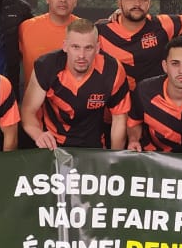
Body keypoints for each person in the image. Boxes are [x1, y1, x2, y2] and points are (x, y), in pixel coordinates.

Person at [21, 18, 130, 150]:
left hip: (93, 145)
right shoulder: (46, 66)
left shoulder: (112, 70)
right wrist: (38, 135)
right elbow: (28, 110)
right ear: (65, 46)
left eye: (88, 48)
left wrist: (115, 156)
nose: (81, 55)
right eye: (75, 47)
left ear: (97, 48)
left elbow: (119, 118)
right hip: (53, 143)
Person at [18, 0, 78, 92]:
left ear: (75, 0)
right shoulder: (26, 28)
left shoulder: (86, 30)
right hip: (34, 103)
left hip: (74, 103)